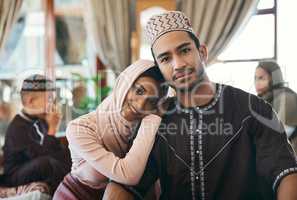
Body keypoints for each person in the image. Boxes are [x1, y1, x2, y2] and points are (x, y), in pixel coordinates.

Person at [104, 11, 297, 200]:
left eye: (185, 50)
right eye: (165, 59)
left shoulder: (253, 109)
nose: (178, 64)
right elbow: (125, 185)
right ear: (160, 69)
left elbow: (286, 173)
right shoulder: (153, 122)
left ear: (202, 52)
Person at [53, 59, 168, 199]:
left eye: (151, 101)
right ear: (124, 85)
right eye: (139, 91)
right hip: (74, 196)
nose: (140, 105)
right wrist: (153, 119)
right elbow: (129, 175)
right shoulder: (80, 128)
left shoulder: (143, 128)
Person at [2, 74, 71, 194]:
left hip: (36, 165)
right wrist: (52, 129)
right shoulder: (17, 127)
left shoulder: (41, 121)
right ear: (31, 101)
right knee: (46, 163)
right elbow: (42, 156)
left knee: (69, 153)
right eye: (49, 100)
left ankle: (80, 188)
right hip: (15, 175)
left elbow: (56, 153)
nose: (53, 104)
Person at [255, 61, 297, 152]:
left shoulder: (286, 98)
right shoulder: (265, 101)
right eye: (256, 78)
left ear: (274, 78)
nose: (257, 83)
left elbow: (281, 135)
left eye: (261, 78)